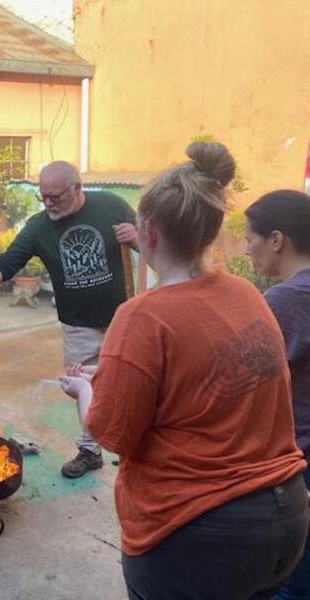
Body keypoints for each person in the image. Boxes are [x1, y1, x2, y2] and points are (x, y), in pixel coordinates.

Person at [60, 142, 308, 598]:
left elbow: (113, 434)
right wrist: (116, 379)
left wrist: (86, 391)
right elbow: (204, 388)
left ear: (147, 230)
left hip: (197, 530)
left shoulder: (141, 317)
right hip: (285, 517)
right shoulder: (247, 295)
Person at [0, 160, 137, 478]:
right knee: (82, 384)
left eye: (55, 196)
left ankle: (135, 451)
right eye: (44, 196)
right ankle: (89, 450)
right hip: (78, 322)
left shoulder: (111, 205)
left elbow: (155, 246)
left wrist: (137, 236)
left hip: (123, 319)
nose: (48, 203)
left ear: (77, 188)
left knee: (131, 386)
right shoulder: (39, 226)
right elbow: (9, 260)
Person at [245, 189, 310, 600]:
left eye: (250, 237)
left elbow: (243, 385)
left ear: (276, 239)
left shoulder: (285, 300)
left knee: (290, 584)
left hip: (301, 461)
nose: (246, 247)